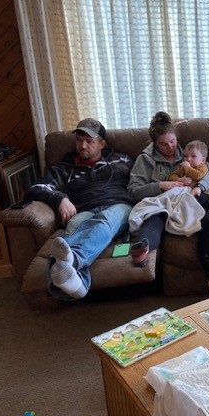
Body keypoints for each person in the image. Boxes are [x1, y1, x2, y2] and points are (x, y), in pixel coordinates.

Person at [23, 118, 134, 300]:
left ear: (102, 144)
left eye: (89, 141)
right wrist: (59, 198)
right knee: (70, 231)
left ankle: (73, 260)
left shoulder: (122, 160)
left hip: (118, 206)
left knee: (104, 220)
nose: (83, 146)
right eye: (79, 140)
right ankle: (77, 286)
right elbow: (35, 188)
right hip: (84, 211)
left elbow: (143, 180)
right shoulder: (65, 167)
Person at [127, 112, 209, 296]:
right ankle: (141, 249)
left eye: (172, 141)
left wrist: (199, 187)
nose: (170, 147)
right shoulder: (145, 160)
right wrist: (161, 185)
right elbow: (133, 191)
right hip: (163, 204)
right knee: (154, 218)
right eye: (163, 144)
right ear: (154, 144)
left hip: (190, 201)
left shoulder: (187, 153)